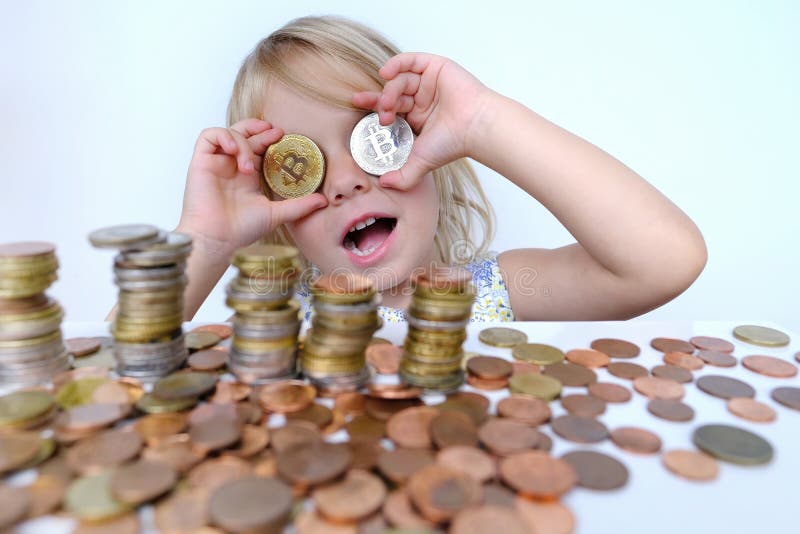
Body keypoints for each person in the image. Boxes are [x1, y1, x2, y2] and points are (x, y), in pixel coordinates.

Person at [171, 15, 707, 325]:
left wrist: (484, 121)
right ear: (275, 207)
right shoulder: (271, 324)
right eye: (301, 167)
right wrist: (207, 240)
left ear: (428, 144)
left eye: (374, 139)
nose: (345, 183)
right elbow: (105, 384)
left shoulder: (498, 291)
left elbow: (663, 262)